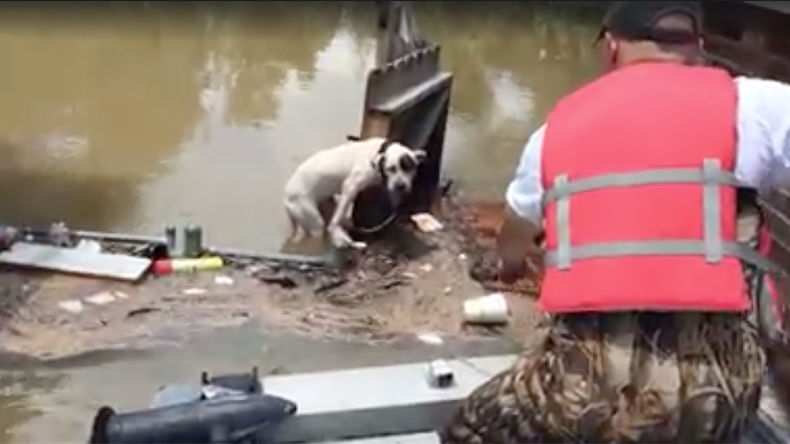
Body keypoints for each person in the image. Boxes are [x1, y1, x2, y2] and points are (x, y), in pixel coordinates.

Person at [440, 2, 790, 443]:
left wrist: (509, 265)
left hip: (583, 401)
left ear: (610, 48)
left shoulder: (555, 131)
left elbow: (513, 242)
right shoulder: (755, 106)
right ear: (698, 49)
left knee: (468, 425)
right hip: (720, 400)